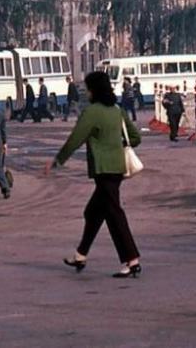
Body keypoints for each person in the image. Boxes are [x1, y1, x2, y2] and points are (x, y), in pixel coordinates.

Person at [43, 71, 141, 279]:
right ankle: (81, 255)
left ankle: (131, 259)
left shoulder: (92, 112)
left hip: (103, 169)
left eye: (88, 88)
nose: (86, 92)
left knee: (114, 214)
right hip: (118, 168)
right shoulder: (117, 110)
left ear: (94, 90)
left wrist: (58, 160)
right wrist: (117, 145)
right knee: (93, 212)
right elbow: (135, 137)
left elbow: (75, 138)